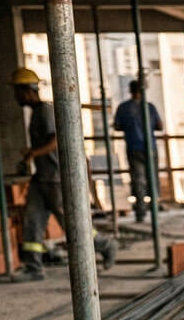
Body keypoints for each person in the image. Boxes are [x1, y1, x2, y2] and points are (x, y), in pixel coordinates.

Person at [10, 68, 115, 281]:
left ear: (27, 90)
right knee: (32, 222)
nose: (15, 96)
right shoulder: (36, 113)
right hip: (42, 179)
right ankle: (33, 268)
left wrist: (33, 154)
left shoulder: (46, 112)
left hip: (57, 179)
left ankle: (104, 245)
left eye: (17, 91)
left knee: (72, 224)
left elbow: (56, 140)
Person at [112, 79, 163, 223]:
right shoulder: (149, 107)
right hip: (149, 147)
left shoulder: (123, 108)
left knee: (138, 180)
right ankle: (154, 209)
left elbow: (117, 126)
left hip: (134, 147)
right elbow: (160, 126)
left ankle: (140, 213)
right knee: (152, 178)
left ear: (130, 90)